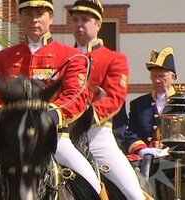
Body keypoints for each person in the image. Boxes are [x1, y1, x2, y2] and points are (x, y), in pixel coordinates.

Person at [0, 0, 107, 197]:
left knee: (93, 183)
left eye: (39, 14)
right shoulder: (4, 57)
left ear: (51, 18)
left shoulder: (71, 56)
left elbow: (76, 96)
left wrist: (49, 117)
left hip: (55, 139)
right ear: (20, 18)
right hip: (10, 140)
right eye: (28, 15)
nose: (34, 20)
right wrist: (1, 118)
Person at [69, 0, 146, 199]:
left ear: (98, 24)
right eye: (75, 19)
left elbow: (114, 97)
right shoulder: (63, 56)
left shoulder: (115, 58)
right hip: (63, 135)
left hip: (97, 136)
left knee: (134, 194)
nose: (79, 25)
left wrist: (86, 115)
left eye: (85, 20)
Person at [125, 46, 185, 158]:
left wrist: (171, 151)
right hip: (146, 160)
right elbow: (130, 133)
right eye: (154, 76)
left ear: (173, 78)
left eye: (162, 76)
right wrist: (143, 150)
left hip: (177, 161)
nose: (157, 80)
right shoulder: (139, 104)